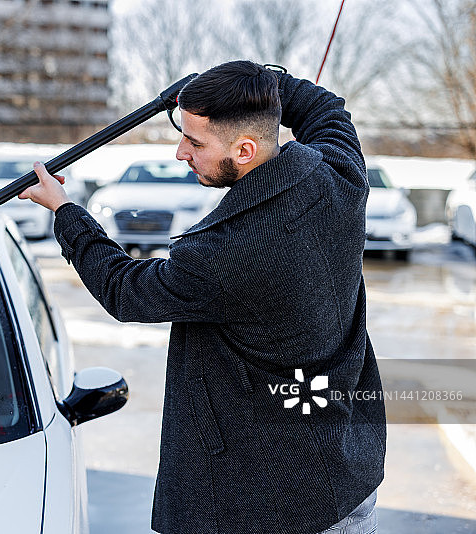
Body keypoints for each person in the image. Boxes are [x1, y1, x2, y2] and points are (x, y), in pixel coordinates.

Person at [20, 60, 386, 534]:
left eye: (194, 142)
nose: (179, 152)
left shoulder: (227, 252)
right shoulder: (341, 176)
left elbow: (125, 290)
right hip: (344, 476)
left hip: (267, 506)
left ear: (246, 149)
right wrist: (254, 82)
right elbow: (325, 107)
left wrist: (65, 211)